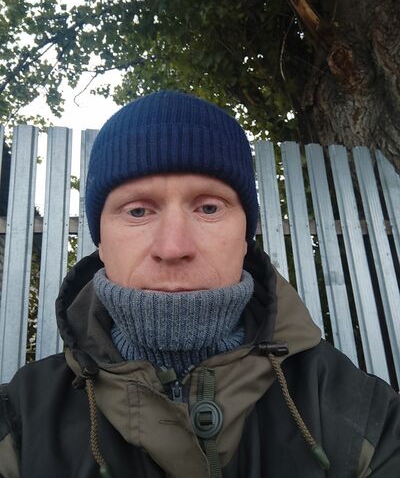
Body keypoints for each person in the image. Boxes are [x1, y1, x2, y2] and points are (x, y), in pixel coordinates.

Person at [0, 91, 399, 478]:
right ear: (100, 243)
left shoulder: (366, 419)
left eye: (209, 207)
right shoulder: (17, 426)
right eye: (137, 211)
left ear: (245, 238)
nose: (173, 248)